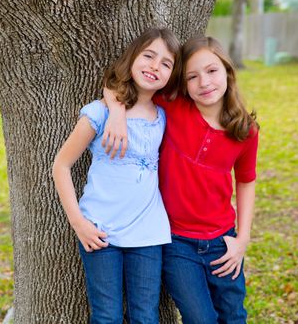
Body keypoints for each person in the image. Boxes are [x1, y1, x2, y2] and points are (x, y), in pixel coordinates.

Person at [103, 36, 259, 323]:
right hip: (176, 242)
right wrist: (114, 112)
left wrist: (242, 239)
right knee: (200, 319)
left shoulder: (245, 131)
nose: (204, 82)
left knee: (234, 315)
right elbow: (119, 87)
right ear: (183, 83)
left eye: (212, 71)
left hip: (223, 241)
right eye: (192, 76)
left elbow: (246, 182)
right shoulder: (172, 109)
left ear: (227, 71)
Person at [52, 27, 181, 323]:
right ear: (132, 57)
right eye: (148, 56)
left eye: (166, 63)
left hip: (148, 233)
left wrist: (118, 108)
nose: (154, 66)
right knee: (106, 316)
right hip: (100, 232)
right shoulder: (99, 112)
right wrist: (79, 224)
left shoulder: (164, 114)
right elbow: (61, 164)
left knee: (145, 316)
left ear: (172, 75)